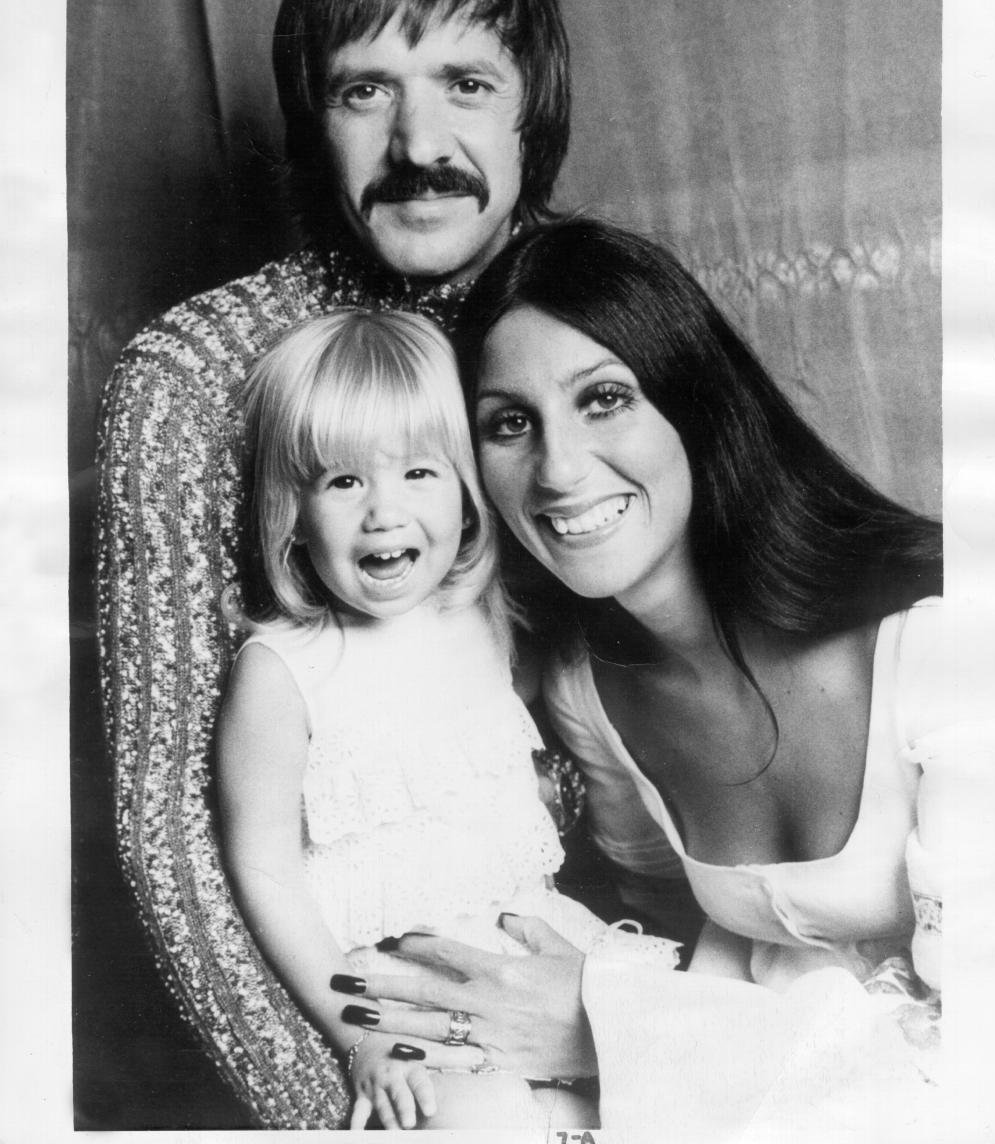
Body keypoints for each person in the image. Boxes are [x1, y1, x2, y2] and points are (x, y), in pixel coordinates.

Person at [336, 220, 995, 1139]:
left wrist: (604, 1027)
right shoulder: (587, 692)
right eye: (509, 424)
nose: (560, 471)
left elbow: (983, 1073)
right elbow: (657, 927)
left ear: (698, 405)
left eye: (605, 399)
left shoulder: (950, 646)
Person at [95, 0, 575, 1126]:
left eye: (465, 81)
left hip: (588, 967)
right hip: (386, 1049)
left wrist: (626, 1029)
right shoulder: (196, 373)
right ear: (312, 127)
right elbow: (181, 844)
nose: (419, 140)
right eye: (365, 92)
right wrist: (353, 1108)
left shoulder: (587, 324)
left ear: (535, 105)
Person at [219, 309, 664, 1129]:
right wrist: (362, 1039)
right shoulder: (285, 670)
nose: (384, 513)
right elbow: (269, 875)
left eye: (419, 473)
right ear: (293, 513)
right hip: (411, 997)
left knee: (664, 1092)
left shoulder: (484, 616)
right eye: (344, 481)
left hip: (538, 949)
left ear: (466, 493)